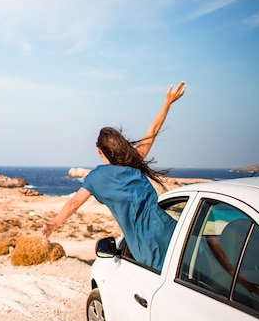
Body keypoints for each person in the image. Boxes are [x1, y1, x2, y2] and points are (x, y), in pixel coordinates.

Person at [42, 81, 187, 270]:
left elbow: (73, 203)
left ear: (98, 150)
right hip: (169, 230)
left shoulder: (96, 178)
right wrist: (167, 103)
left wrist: (53, 224)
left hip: (145, 249)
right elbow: (153, 131)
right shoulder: (133, 160)